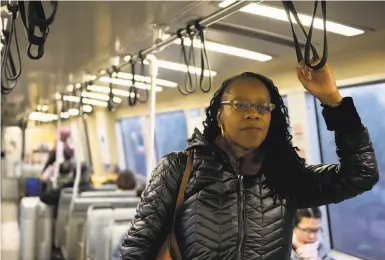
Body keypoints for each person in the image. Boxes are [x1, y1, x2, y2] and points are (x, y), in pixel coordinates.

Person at [119, 62, 379, 260]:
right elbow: (137, 251)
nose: (253, 114)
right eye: (240, 105)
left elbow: (361, 174)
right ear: (219, 114)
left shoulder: (285, 176)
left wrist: (333, 102)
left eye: (263, 107)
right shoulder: (178, 168)